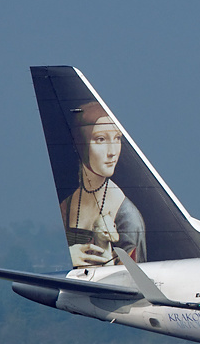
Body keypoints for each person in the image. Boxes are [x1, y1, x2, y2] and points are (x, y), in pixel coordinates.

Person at [60, 101, 146, 267]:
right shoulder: (66, 205)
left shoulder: (127, 217)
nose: (112, 152)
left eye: (117, 139)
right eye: (101, 139)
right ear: (81, 143)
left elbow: (131, 280)